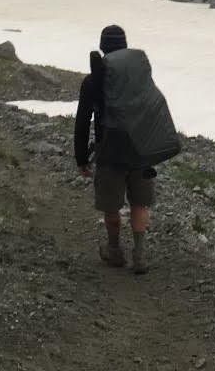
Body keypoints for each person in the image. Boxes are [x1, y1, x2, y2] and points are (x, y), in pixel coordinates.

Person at [74, 24, 165, 274]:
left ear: (102, 47)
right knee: (139, 204)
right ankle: (140, 256)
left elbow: (83, 121)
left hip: (110, 151)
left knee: (111, 206)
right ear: (125, 46)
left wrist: (82, 158)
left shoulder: (93, 81)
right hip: (141, 149)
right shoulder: (141, 76)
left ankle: (115, 250)